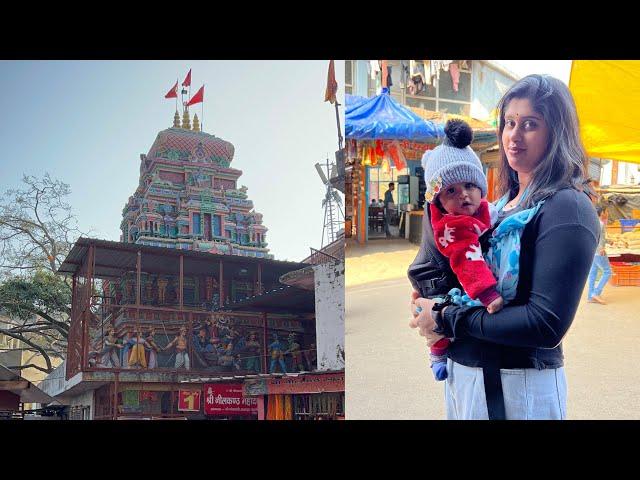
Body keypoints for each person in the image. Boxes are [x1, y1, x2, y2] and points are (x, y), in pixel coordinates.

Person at [408, 74, 600, 420]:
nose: (513, 135)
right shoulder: (496, 207)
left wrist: (446, 317)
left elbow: (545, 324)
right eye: (509, 122)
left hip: (518, 386)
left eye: (530, 124)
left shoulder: (568, 207)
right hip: (464, 376)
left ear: (557, 132)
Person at [415, 119, 504, 382]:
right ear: (440, 201)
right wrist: (488, 294)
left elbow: (492, 217)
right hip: (444, 283)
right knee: (438, 314)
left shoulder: (484, 209)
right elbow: (469, 262)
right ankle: (437, 355)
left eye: (469, 186)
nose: (463, 195)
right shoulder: (454, 227)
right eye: (451, 191)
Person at [587, 206, 612, 304]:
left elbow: (599, 237)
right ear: (602, 213)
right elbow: (597, 238)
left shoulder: (595, 222)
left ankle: (590, 296)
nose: (607, 213)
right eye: (606, 211)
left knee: (593, 273)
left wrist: (609, 241)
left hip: (592, 251)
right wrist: (601, 248)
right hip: (598, 252)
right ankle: (596, 293)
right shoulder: (600, 224)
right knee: (608, 272)